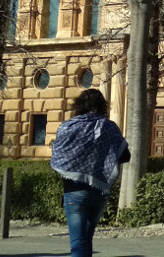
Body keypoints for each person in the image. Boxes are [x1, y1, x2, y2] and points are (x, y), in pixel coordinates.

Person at [51, 89, 130, 257]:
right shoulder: (109, 127)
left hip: (74, 191)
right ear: (102, 106)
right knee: (86, 240)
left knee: (78, 244)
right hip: (99, 192)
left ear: (79, 105)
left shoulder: (68, 127)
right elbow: (125, 155)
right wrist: (102, 156)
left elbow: (58, 154)